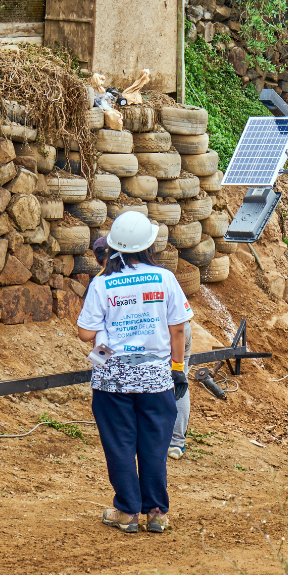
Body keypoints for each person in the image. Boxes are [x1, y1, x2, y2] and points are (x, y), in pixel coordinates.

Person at [76, 211, 192, 534]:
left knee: (120, 444)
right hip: (156, 378)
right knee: (155, 444)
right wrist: (178, 370)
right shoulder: (164, 278)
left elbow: (86, 333)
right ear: (149, 245)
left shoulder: (102, 283)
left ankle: (127, 512)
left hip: (112, 379)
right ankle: (156, 512)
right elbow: (178, 330)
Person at [91, 237, 193, 461]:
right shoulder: (161, 275)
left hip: (167, 332)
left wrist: (100, 365)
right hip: (174, 328)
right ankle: (175, 443)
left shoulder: (103, 281)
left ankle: (172, 441)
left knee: (175, 379)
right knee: (177, 380)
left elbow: (103, 334)